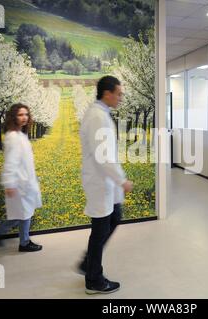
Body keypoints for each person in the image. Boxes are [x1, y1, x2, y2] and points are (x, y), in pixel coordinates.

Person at [78, 76, 133, 294]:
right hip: (100, 182)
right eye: (119, 93)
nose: (121, 98)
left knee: (114, 217)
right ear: (107, 93)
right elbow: (103, 157)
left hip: (104, 181)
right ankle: (94, 279)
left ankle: (88, 263)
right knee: (100, 229)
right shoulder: (97, 117)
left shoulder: (100, 114)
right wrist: (122, 180)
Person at [0, 103, 43, 253]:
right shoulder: (13, 137)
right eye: (20, 115)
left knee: (21, 213)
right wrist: (9, 183)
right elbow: (10, 162)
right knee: (24, 213)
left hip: (25, 181)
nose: (24, 117)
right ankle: (24, 243)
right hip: (20, 183)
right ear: (13, 117)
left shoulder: (20, 134)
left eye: (26, 114)